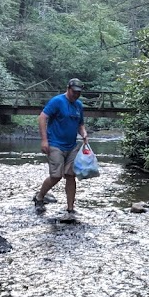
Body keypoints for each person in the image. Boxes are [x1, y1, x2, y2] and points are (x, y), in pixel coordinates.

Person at [34, 78, 89, 218]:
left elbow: (80, 124)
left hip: (71, 146)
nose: (76, 95)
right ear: (68, 88)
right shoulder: (57, 101)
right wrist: (44, 141)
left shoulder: (79, 106)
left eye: (78, 93)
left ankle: (70, 209)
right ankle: (40, 197)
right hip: (55, 144)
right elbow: (42, 118)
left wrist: (83, 133)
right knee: (56, 176)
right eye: (74, 92)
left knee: (71, 176)